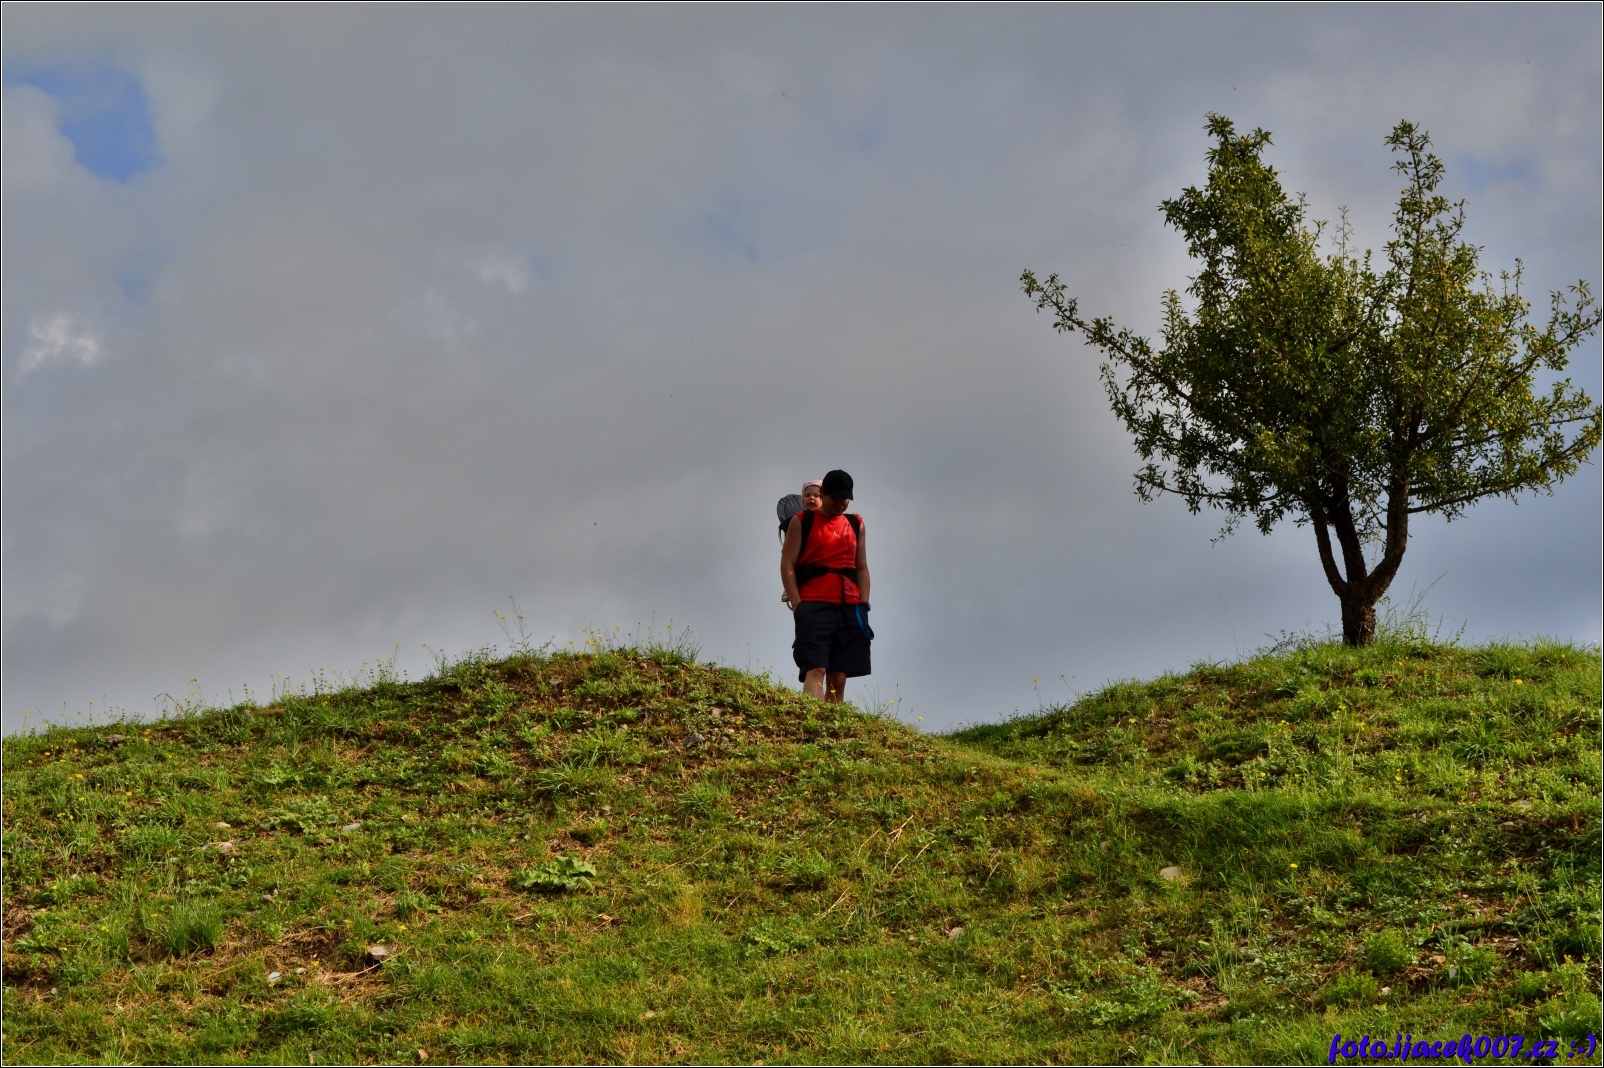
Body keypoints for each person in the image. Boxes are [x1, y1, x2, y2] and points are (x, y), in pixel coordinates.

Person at [780, 469, 871, 702]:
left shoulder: (856, 524)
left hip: (849, 606)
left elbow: (862, 567)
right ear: (824, 494)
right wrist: (798, 605)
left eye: (846, 499)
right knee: (815, 668)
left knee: (839, 675)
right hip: (813, 605)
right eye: (837, 498)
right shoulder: (802, 521)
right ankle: (813, 718)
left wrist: (863, 605)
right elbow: (787, 563)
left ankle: (833, 721)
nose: (841, 504)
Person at [779, 479, 825, 607]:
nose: (811, 498)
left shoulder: (830, 522)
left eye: (816, 496)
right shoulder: (798, 521)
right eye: (807, 495)